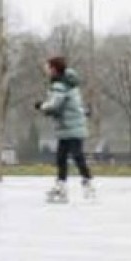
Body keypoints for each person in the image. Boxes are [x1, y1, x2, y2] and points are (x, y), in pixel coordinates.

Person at [35, 57, 94, 203]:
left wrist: (41, 106)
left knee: (76, 155)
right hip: (68, 126)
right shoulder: (68, 83)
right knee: (62, 157)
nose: (46, 71)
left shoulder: (60, 86)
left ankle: (87, 184)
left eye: (48, 68)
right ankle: (62, 186)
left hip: (71, 126)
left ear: (54, 69)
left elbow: (55, 105)